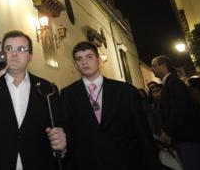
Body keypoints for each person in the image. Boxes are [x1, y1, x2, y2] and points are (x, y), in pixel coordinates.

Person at [0, 30, 67, 170]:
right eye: (9, 49)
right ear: (1, 54)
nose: (14, 54)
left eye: (21, 49)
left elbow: (59, 132)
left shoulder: (47, 89)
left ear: (30, 56)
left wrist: (61, 146)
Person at [61, 41, 161, 170]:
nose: (84, 62)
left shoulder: (126, 91)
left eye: (89, 57)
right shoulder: (67, 94)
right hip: (88, 163)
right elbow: (69, 133)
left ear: (99, 60)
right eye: (79, 59)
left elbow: (141, 131)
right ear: (75, 65)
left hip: (126, 162)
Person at [151, 55, 200, 170]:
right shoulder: (169, 83)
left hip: (188, 139)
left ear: (163, 66)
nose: (151, 69)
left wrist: (167, 131)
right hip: (183, 139)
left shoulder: (174, 83)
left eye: (153, 66)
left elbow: (179, 109)